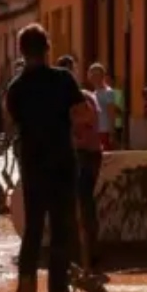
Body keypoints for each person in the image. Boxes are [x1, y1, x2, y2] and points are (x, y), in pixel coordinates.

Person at [7, 25, 87, 292]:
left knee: (33, 231)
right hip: (62, 165)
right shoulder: (63, 79)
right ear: (47, 48)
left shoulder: (16, 86)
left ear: (21, 51)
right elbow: (81, 115)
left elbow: (12, 122)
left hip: (32, 165)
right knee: (61, 233)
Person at [59, 56, 103, 268]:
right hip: (73, 155)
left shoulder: (84, 97)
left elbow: (86, 119)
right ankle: (77, 252)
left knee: (84, 203)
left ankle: (88, 253)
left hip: (87, 154)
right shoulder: (61, 100)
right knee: (73, 203)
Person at [88, 63, 119, 151]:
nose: (93, 76)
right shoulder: (94, 92)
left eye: (96, 74)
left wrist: (112, 133)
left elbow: (111, 113)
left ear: (102, 76)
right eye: (92, 74)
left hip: (105, 131)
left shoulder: (108, 92)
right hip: (96, 131)